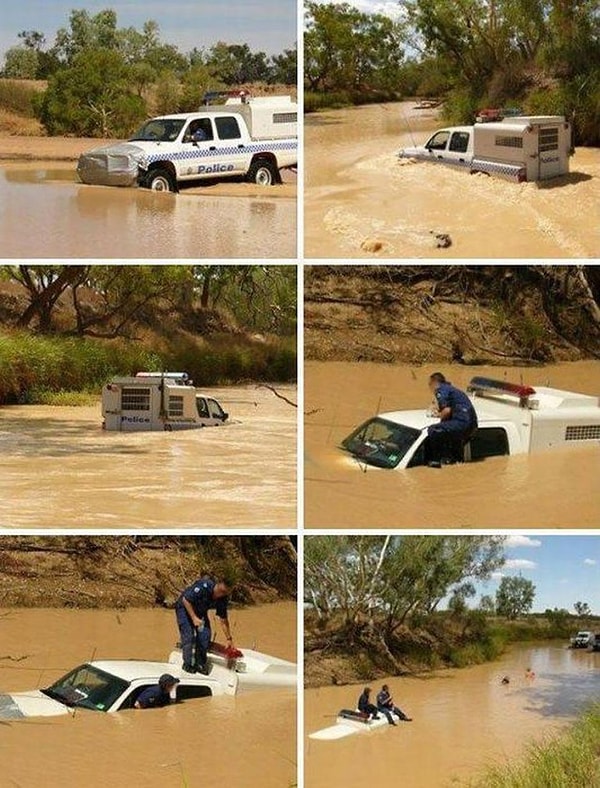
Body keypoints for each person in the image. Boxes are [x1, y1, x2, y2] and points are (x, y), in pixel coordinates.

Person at [175, 574, 235, 675]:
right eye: (221, 591)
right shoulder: (204, 586)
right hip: (185, 608)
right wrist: (194, 618)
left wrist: (229, 639)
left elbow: (223, 619)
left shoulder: (223, 598)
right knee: (188, 635)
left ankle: (200, 663)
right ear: (218, 584)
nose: (221, 594)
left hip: (200, 612)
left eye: (225, 593)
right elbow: (186, 600)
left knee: (205, 636)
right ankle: (187, 663)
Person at [426, 372, 478, 467]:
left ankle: (435, 461)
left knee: (434, 430)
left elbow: (447, 410)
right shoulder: (451, 389)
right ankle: (457, 460)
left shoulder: (441, 390)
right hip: (471, 424)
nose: (430, 387)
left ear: (434, 383)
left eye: (430, 384)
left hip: (462, 422)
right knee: (453, 440)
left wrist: (438, 417)